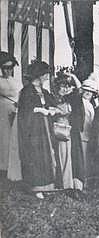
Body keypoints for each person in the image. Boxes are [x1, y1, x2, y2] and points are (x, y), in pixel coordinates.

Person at [18, 60, 59, 199]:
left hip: (45, 127)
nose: (47, 77)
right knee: (36, 155)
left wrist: (52, 110)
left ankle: (46, 185)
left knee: (47, 154)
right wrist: (39, 110)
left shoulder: (45, 92)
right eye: (45, 74)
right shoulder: (27, 91)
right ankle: (35, 187)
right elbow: (25, 110)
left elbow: (52, 105)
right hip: (34, 128)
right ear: (39, 75)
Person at [67, 75, 99, 190]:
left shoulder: (92, 105)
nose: (88, 93)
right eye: (86, 90)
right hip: (79, 133)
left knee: (87, 159)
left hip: (88, 134)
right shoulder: (78, 101)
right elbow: (77, 93)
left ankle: (85, 183)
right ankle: (78, 185)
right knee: (79, 159)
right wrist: (75, 79)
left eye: (90, 91)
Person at [52, 72, 81, 189]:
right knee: (58, 155)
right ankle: (58, 182)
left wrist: (74, 77)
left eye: (68, 86)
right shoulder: (53, 98)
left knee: (66, 154)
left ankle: (66, 183)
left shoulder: (69, 98)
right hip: (56, 128)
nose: (66, 88)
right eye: (63, 86)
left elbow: (80, 91)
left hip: (66, 129)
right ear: (58, 86)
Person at [0, 51, 23, 181]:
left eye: (10, 68)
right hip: (2, 112)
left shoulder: (15, 81)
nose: (8, 71)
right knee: (4, 138)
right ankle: (3, 168)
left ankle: (12, 168)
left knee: (13, 139)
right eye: (5, 68)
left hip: (15, 111)